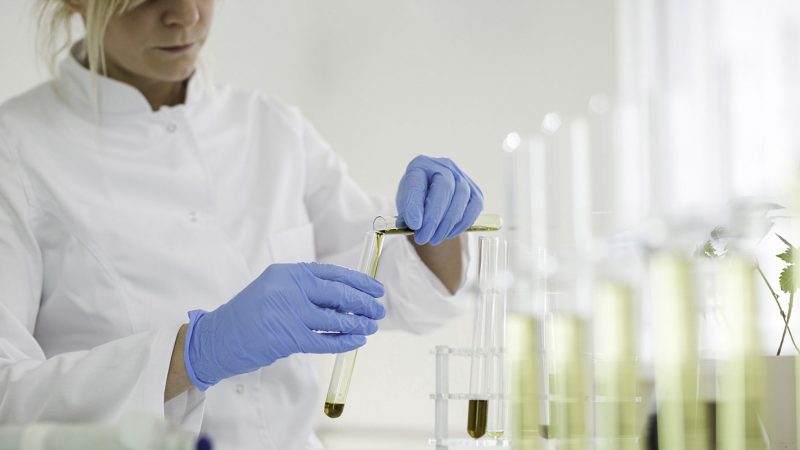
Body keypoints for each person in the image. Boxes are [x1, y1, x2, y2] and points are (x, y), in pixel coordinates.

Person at [0, 1, 484, 449]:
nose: (186, 15)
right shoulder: (17, 152)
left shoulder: (270, 127)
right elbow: (7, 399)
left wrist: (439, 225)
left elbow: (400, 290)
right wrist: (194, 353)